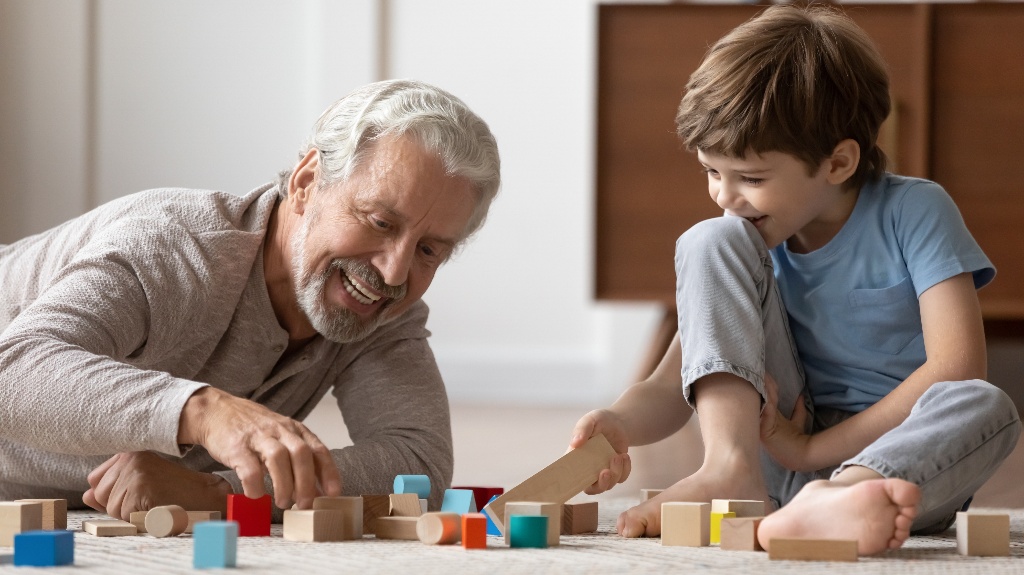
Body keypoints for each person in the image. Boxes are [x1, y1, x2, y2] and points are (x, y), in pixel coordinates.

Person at [569, 4, 1020, 555]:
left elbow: (957, 367)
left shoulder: (916, 210)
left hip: (895, 470)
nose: (725, 196)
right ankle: (730, 470)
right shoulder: (745, 242)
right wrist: (619, 422)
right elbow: (675, 383)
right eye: (712, 171)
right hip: (772, 462)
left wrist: (812, 452)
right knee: (711, 238)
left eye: (751, 178)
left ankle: (840, 502)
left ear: (838, 163)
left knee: (985, 404)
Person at [0, 79, 501, 520]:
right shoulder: (176, 247)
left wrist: (219, 493)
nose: (393, 272)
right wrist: (205, 412)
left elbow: (417, 464)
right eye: (380, 222)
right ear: (307, 183)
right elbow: (12, 374)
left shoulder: (379, 306)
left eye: (429, 250)